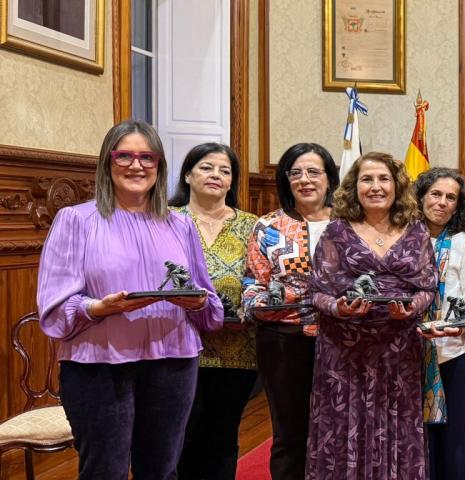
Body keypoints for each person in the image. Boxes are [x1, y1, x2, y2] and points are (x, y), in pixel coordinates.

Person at [36, 119, 221, 478]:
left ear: (159, 166)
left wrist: (196, 302)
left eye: (147, 157)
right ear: (108, 162)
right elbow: (55, 311)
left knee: (162, 470)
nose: (136, 165)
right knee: (105, 470)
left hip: (174, 364)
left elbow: (208, 304)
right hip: (99, 368)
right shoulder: (75, 220)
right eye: (125, 156)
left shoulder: (181, 225)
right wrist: (98, 308)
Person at [306, 152, 441, 479]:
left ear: (397, 186)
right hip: (344, 351)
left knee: (396, 426)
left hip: (398, 350)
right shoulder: (335, 233)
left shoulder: (416, 231)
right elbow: (318, 291)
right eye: (367, 179)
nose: (376, 186)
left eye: (384, 179)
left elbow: (428, 285)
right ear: (354, 186)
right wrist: (340, 307)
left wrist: (413, 307)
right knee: (343, 427)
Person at [241, 143, 339, 480]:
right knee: (290, 433)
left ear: (329, 179)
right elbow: (254, 282)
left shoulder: (350, 226)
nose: (304, 179)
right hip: (284, 340)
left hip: (344, 341)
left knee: (340, 430)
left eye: (314, 172)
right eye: (295, 172)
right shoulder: (267, 227)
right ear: (286, 180)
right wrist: (257, 303)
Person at [169, 142, 260, 480]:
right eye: (207, 167)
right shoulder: (166, 220)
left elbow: (263, 278)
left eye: (225, 171)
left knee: (222, 436)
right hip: (177, 346)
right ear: (188, 174)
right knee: (179, 436)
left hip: (238, 348)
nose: (216, 176)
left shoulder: (253, 226)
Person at [417, 167, 465, 480]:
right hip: (410, 351)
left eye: (451, 198)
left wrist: (459, 322)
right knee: (417, 432)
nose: (443, 203)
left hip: (454, 350)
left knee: (458, 432)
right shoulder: (403, 241)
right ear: (420, 198)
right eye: (436, 194)